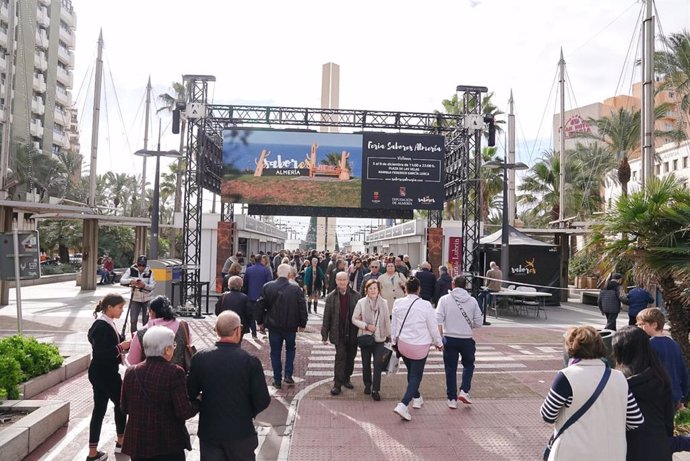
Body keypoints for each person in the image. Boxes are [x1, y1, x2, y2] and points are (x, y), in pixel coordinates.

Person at [540, 326, 644, 460]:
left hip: (571, 453)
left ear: (571, 348)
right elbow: (636, 421)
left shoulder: (566, 377)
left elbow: (547, 415)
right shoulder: (619, 378)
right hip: (612, 454)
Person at [187, 311, 271, 461]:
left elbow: (190, 392)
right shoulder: (250, 361)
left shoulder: (200, 358)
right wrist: (247, 412)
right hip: (241, 430)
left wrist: (201, 402)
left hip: (210, 430)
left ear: (217, 330)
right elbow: (263, 399)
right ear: (238, 330)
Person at [120, 326, 199, 461]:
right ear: (167, 349)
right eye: (173, 345)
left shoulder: (131, 372)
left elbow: (124, 408)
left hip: (139, 442)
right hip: (167, 442)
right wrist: (198, 401)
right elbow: (183, 411)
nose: (174, 348)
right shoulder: (175, 372)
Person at [612, 326, 674, 461]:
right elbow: (668, 420)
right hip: (659, 446)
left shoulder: (619, 382)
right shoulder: (661, 377)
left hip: (628, 448)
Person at [391, 277, 443, 421]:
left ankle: (417, 397)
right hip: (420, 345)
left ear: (405, 289)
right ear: (419, 289)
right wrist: (439, 342)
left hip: (403, 344)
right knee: (416, 375)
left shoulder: (398, 303)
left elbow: (394, 325)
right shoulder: (426, 305)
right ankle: (403, 404)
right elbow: (433, 327)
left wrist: (394, 340)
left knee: (411, 372)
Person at [86, 293, 131, 461]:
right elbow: (101, 353)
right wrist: (121, 346)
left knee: (99, 409)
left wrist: (120, 343)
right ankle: (121, 441)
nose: (121, 311)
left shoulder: (106, 323)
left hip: (100, 372)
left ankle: (93, 452)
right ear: (109, 307)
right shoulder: (102, 326)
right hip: (106, 373)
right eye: (120, 307)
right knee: (121, 405)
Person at [256, 264, 308, 389]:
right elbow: (302, 307)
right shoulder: (296, 289)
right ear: (289, 273)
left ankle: (277, 379)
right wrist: (302, 323)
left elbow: (261, 305)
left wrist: (260, 321)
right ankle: (288, 375)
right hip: (290, 325)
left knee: (275, 352)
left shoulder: (268, 287)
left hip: (274, 325)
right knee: (290, 349)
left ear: (277, 273)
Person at [437, 275, 483, 408]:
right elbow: (479, 322)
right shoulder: (472, 300)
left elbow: (438, 319)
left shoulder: (444, 299)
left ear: (453, 284)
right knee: (468, 365)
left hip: (449, 338)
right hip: (466, 338)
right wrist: (468, 326)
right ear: (465, 285)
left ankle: (451, 398)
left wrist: (439, 339)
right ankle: (464, 390)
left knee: (450, 369)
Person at [636, 308, 689, 410]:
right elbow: (683, 370)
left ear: (654, 325)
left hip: (656, 396)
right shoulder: (674, 344)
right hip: (674, 394)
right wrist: (683, 395)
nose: (639, 327)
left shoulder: (648, 345)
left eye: (642, 324)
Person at [321, 271, 362, 395]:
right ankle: (337, 384)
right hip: (338, 332)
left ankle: (346, 378)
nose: (342, 282)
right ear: (336, 281)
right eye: (340, 280)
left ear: (348, 280)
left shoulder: (357, 296)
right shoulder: (331, 297)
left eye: (344, 280)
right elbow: (326, 317)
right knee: (340, 357)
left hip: (353, 332)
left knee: (351, 357)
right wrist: (324, 335)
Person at [127, 296, 192, 371]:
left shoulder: (141, 333)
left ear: (152, 312)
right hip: (179, 376)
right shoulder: (183, 326)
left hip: (149, 378)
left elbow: (132, 362)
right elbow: (188, 344)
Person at [352, 279, 391, 401]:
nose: (373, 290)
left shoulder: (384, 303)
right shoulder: (361, 303)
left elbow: (387, 320)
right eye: (370, 288)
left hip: (380, 338)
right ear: (366, 290)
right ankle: (367, 384)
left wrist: (389, 335)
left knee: (378, 364)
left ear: (378, 290)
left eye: (375, 288)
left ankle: (376, 389)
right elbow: (354, 319)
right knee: (366, 363)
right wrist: (366, 326)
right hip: (366, 337)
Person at [120, 255, 156, 334]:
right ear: (137, 264)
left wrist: (144, 285)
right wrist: (131, 281)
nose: (141, 267)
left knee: (146, 321)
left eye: (143, 265)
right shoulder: (131, 270)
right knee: (133, 320)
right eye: (139, 264)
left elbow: (152, 286)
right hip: (135, 299)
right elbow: (122, 280)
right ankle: (133, 339)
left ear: (146, 265)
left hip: (147, 299)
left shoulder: (150, 272)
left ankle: (145, 338)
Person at [244, 255, 273, 339]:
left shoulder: (249, 269)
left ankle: (254, 333)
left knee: (252, 315)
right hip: (262, 296)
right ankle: (262, 328)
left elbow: (245, 282)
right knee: (263, 313)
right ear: (261, 260)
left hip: (251, 295)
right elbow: (269, 283)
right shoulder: (266, 270)